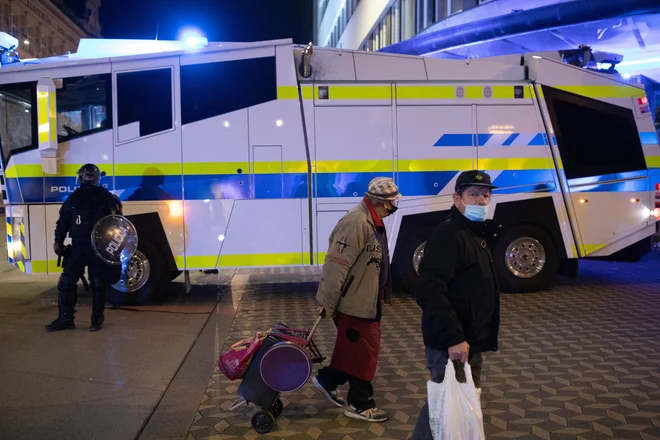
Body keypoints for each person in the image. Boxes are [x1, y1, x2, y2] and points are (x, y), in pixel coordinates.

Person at [411, 170, 501, 440]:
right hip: (451, 343)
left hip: (468, 339)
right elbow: (429, 290)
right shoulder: (450, 234)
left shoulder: (473, 233)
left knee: (451, 404)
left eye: (486, 194)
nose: (481, 200)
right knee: (445, 404)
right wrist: (454, 337)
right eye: (473, 194)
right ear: (457, 198)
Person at [313, 177, 401, 422]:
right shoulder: (357, 222)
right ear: (380, 202)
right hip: (354, 303)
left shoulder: (374, 220)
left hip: (366, 300)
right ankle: (360, 404)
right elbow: (336, 266)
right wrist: (327, 303)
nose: (394, 207)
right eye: (393, 202)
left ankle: (327, 379)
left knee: (353, 351)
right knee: (364, 353)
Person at [45, 163, 123, 333]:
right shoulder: (73, 198)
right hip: (78, 246)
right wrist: (58, 241)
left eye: (91, 176)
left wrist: (114, 248)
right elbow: (63, 221)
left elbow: (118, 224)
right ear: (81, 177)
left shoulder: (107, 198)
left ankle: (97, 319)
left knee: (97, 282)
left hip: (98, 247)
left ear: (97, 178)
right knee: (66, 282)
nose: (89, 178)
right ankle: (65, 319)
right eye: (86, 176)